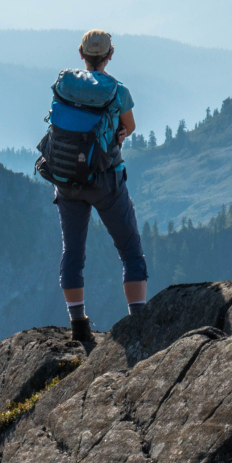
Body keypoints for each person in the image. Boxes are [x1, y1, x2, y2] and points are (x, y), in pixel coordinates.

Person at [46, 29, 148, 343]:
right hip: (106, 178)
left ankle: (78, 324)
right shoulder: (118, 90)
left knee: (72, 252)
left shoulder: (65, 83)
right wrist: (117, 131)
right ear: (110, 55)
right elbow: (129, 126)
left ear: (81, 55)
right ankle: (139, 323)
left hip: (65, 179)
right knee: (130, 252)